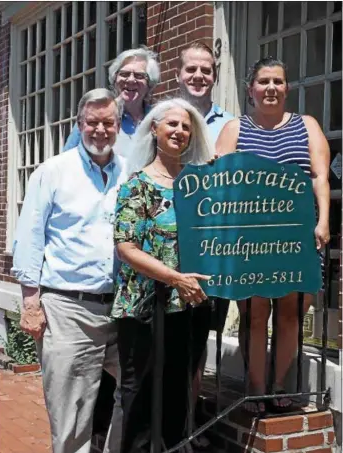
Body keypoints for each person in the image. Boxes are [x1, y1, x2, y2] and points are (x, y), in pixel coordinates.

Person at [12, 88, 128, 453]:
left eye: (108, 122)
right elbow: (29, 236)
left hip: (123, 308)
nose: (100, 130)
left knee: (140, 390)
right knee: (71, 413)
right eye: (91, 122)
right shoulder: (53, 171)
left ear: (118, 126)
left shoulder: (131, 172)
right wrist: (31, 302)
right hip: (68, 309)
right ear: (79, 125)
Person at [216, 57, 330, 413]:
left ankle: (279, 385)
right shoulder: (236, 129)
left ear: (287, 88)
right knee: (254, 315)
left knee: (291, 314)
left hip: (298, 236)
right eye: (263, 82)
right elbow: (219, 185)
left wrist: (323, 220)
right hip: (250, 241)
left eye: (278, 82)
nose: (271, 88)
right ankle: (256, 387)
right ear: (251, 90)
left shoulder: (306, 125)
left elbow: (319, 177)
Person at [112, 98, 214, 452]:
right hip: (145, 306)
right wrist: (175, 278)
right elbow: (126, 247)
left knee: (177, 392)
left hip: (189, 305)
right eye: (172, 124)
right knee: (139, 395)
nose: (180, 131)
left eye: (186, 127)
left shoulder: (199, 184)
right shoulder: (136, 185)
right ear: (154, 129)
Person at [176, 40, 234, 443]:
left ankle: (189, 427)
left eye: (206, 70)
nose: (198, 76)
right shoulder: (166, 116)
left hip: (211, 249)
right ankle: (162, 423)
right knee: (164, 343)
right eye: (191, 69)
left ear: (215, 75)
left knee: (197, 345)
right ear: (179, 74)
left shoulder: (230, 124)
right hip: (166, 247)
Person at [63, 47, 160, 156]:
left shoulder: (158, 119)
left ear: (150, 83)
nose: (131, 80)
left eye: (139, 75)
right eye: (124, 74)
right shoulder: (94, 112)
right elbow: (67, 157)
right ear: (115, 79)